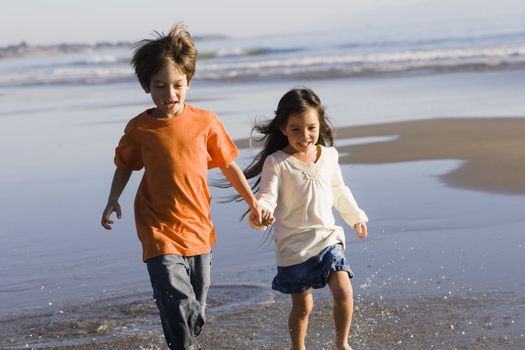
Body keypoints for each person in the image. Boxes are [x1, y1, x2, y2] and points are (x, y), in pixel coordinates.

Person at [100, 23, 266, 350]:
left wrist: (253, 201)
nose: (169, 94)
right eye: (159, 86)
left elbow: (230, 165)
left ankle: (184, 338)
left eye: (177, 85)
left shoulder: (206, 122)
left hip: (197, 224)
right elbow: (124, 165)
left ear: (188, 82)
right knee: (175, 295)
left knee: (196, 301)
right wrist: (112, 199)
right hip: (156, 224)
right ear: (146, 86)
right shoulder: (140, 128)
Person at [245, 88, 368, 350]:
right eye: (296, 129)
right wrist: (262, 213)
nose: (305, 136)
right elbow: (267, 197)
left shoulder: (328, 156)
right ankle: (298, 347)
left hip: (327, 237)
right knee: (303, 307)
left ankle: (342, 344)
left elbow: (339, 191)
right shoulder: (277, 162)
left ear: (320, 124)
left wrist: (355, 217)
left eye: (311, 128)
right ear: (283, 128)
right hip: (294, 245)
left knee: (343, 289)